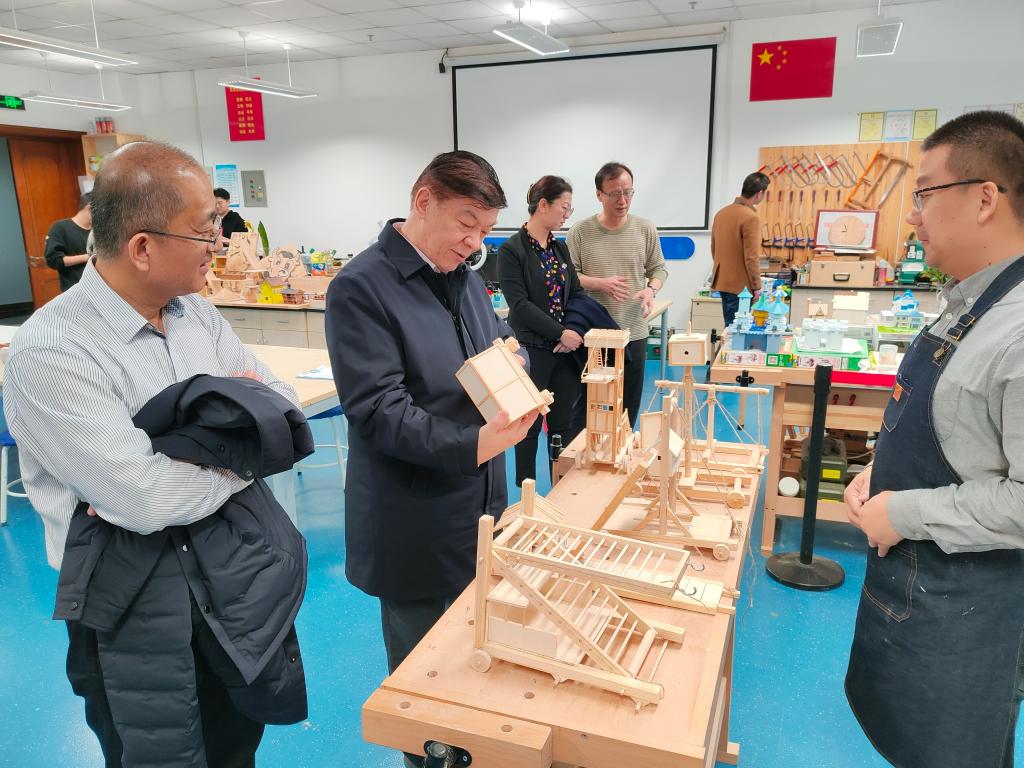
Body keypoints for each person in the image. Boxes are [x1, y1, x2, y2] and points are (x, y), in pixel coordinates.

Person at [4, 140, 308, 767]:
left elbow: (280, 406)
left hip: (229, 579)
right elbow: (147, 499)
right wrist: (240, 451)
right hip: (133, 603)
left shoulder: (196, 315)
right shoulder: (53, 350)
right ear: (143, 247)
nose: (218, 245)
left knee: (235, 743)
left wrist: (192, 454)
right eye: (204, 230)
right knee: (153, 752)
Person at [325, 150, 538, 768]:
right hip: (412, 512)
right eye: (466, 223)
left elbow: (495, 340)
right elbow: (377, 410)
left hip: (479, 501)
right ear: (423, 202)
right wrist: (474, 445)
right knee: (424, 680)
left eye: (485, 230)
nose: (475, 243)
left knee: (476, 654)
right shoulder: (361, 287)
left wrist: (515, 360)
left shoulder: (464, 277)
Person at [844, 110, 1024, 768]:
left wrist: (905, 510)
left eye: (924, 194)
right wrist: (880, 472)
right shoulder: (967, 304)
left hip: (968, 612)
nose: (913, 216)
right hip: (916, 595)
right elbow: (955, 433)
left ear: (984, 198)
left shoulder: (1018, 331)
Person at [499, 175, 584, 486]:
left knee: (562, 425)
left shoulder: (560, 248)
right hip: (531, 352)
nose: (567, 215)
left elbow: (576, 293)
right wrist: (559, 333)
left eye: (570, 209)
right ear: (544, 205)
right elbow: (519, 304)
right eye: (564, 207)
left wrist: (571, 331)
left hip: (564, 353)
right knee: (528, 426)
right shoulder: (512, 250)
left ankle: (561, 488)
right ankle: (526, 496)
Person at [568, 161, 667, 428]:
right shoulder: (580, 232)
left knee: (628, 406)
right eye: (614, 194)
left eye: (628, 192)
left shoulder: (645, 229)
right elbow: (570, 277)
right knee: (592, 405)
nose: (622, 200)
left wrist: (651, 289)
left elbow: (659, 268)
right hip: (596, 334)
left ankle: (622, 451)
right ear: (599, 195)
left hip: (634, 331)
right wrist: (600, 283)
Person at [710, 171, 770, 328]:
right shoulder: (750, 217)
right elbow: (752, 257)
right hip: (741, 287)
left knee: (729, 328)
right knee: (738, 331)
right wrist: (757, 286)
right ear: (759, 194)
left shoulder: (721, 214)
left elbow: (714, 249)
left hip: (722, 281)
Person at [44, 191, 92, 291]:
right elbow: (53, 260)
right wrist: (87, 257)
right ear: (90, 207)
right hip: (75, 291)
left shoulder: (98, 230)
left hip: (99, 289)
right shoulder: (60, 228)